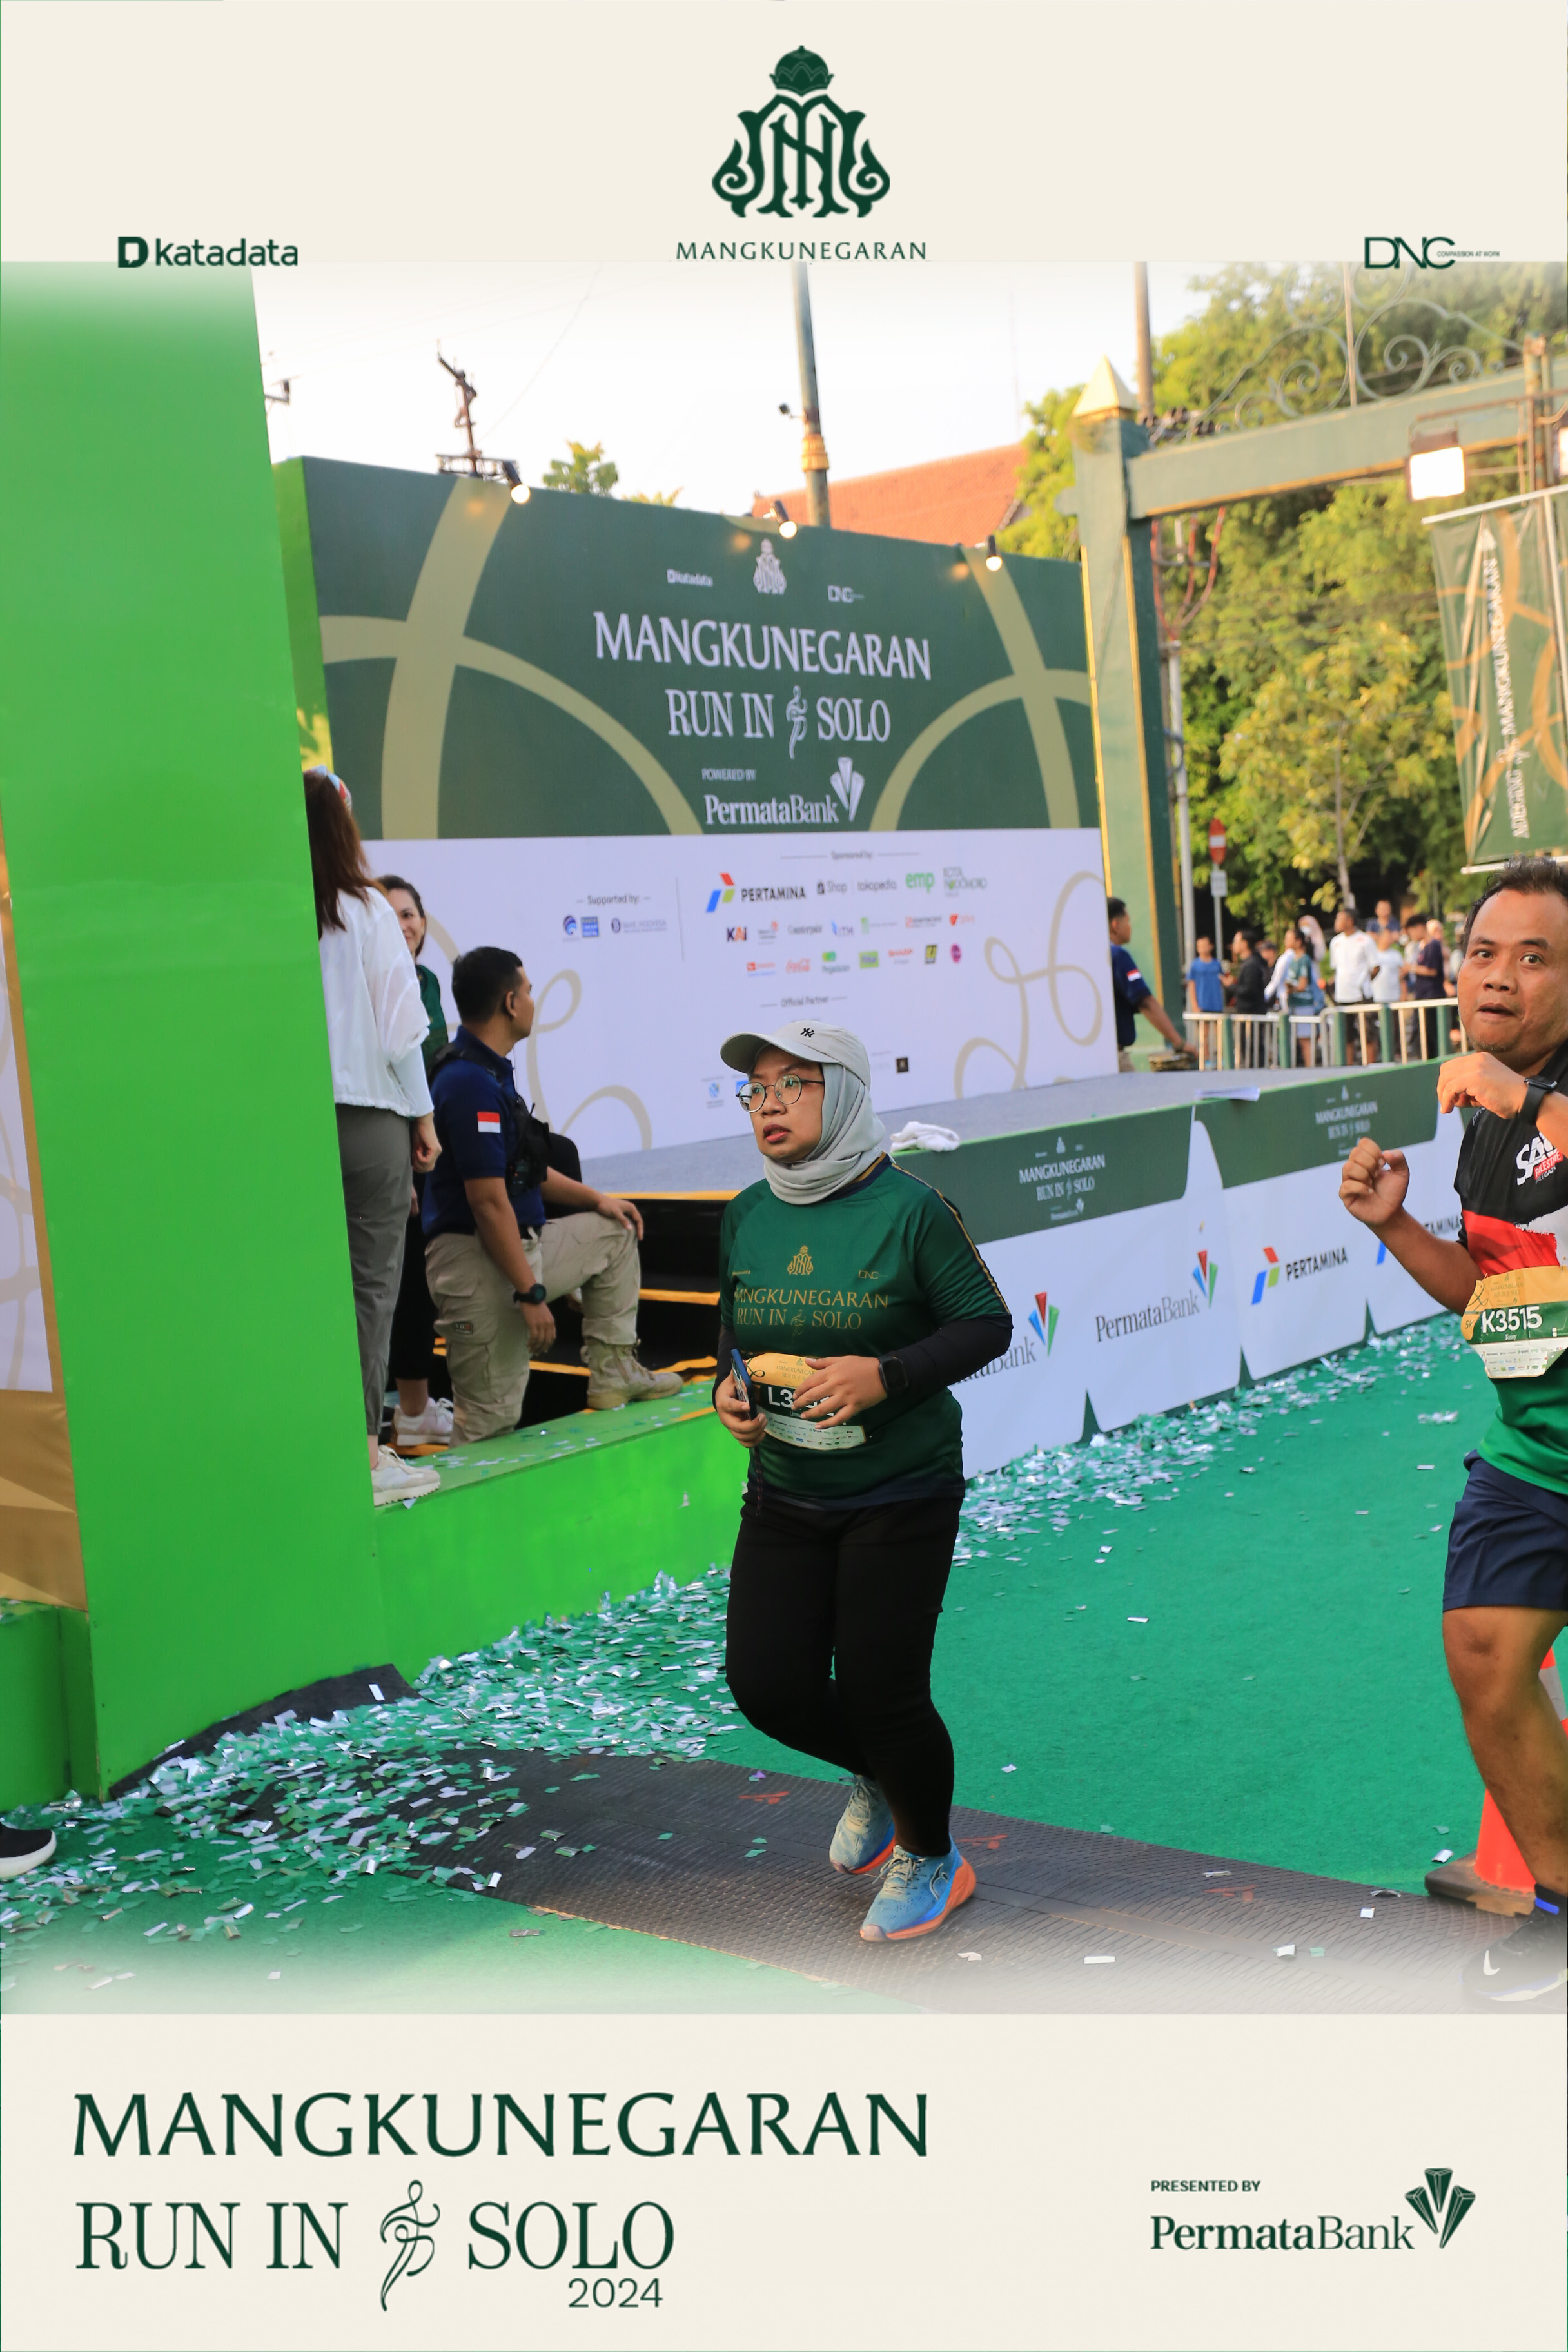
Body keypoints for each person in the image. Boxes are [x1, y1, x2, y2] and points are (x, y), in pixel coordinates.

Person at [712, 1022, 1012, 1943]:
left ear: (841, 1094)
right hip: (784, 1488)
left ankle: (931, 1855)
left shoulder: (912, 1209)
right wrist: (728, 1388)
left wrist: (887, 1375)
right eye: (755, 1090)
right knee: (767, 1687)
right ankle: (883, 1774)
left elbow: (986, 1325)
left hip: (901, 1490)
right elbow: (734, 1329)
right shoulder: (746, 1212)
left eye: (790, 1085)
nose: (766, 1105)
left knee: (885, 1695)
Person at [1338, 856, 1568, 2004]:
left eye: (1535, 957)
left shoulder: (1519, 1097)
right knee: (1482, 1649)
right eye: (1483, 952)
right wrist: (1396, 1227)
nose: (1499, 977)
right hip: (1538, 1449)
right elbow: (1492, 1294)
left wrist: (1521, 1099)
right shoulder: (1483, 1115)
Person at [423, 946, 685, 1439]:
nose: (532, 1000)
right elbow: (487, 1202)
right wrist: (531, 1293)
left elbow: (525, 1170)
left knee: (614, 1231)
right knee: (489, 1422)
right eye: (528, 991)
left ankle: (614, 1372)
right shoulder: (467, 1083)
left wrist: (597, 1199)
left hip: (519, 1246)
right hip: (479, 1261)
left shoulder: (487, 1070)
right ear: (510, 1002)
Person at [305, 769, 440, 1507]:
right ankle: (360, 1453)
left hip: (287, 1126)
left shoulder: (267, 908)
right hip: (367, 1116)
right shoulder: (365, 908)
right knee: (370, 1286)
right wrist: (422, 1117)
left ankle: (317, 1445)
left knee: (305, 1282)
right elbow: (400, 1029)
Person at [379, 874, 453, 1452]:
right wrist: (402, 1161)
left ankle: (415, 1407)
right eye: (390, 915)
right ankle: (408, 1411)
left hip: (429, 1148)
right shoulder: (373, 982)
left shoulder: (425, 980)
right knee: (403, 1286)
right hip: (392, 1150)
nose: (403, 924)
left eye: (409, 914)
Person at [1107, 897, 1193, 1072]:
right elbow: (1145, 1001)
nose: (1130, 927)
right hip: (1114, 1056)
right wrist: (1179, 1043)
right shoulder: (1117, 955)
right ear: (1115, 925)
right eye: (1128, 921)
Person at [1329, 908, 1377, 1063]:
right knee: (1346, 1036)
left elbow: (1376, 967)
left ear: (1349, 921)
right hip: (1341, 996)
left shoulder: (1365, 940)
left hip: (1361, 996)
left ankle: (1370, 1068)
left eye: (1339, 919)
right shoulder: (1335, 942)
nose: (1336, 922)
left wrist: (1364, 982)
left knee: (1368, 1034)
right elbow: (1337, 969)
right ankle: (1348, 1068)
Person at [1270, 925, 1320, 1066]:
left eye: (1289, 938)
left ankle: (1311, 1069)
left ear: (1298, 941)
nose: (1286, 941)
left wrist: (1291, 988)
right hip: (1294, 1004)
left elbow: (1302, 986)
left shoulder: (1304, 960)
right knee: (1299, 1040)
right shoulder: (1293, 959)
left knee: (1305, 1040)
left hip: (1304, 1005)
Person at [1184, 934, 1226, 1065]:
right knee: (1203, 1035)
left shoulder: (1217, 964)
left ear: (1210, 946)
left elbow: (1223, 981)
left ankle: (1221, 1059)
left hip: (1216, 1004)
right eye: (1199, 946)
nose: (1202, 948)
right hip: (1202, 1005)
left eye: (1204, 945)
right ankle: (1206, 1061)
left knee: (1220, 1034)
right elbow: (1191, 985)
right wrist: (1195, 1005)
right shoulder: (1195, 965)